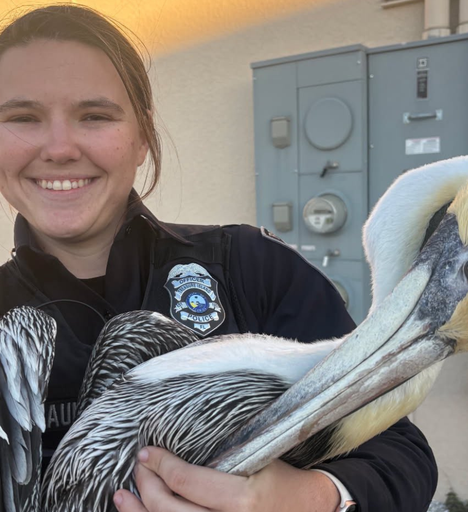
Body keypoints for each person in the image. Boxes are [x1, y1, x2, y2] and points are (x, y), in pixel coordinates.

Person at [0, 5, 435, 512]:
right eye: (22, 118)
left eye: (95, 116)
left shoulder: (252, 267)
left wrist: (306, 499)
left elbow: (399, 453)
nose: (59, 147)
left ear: (142, 137)